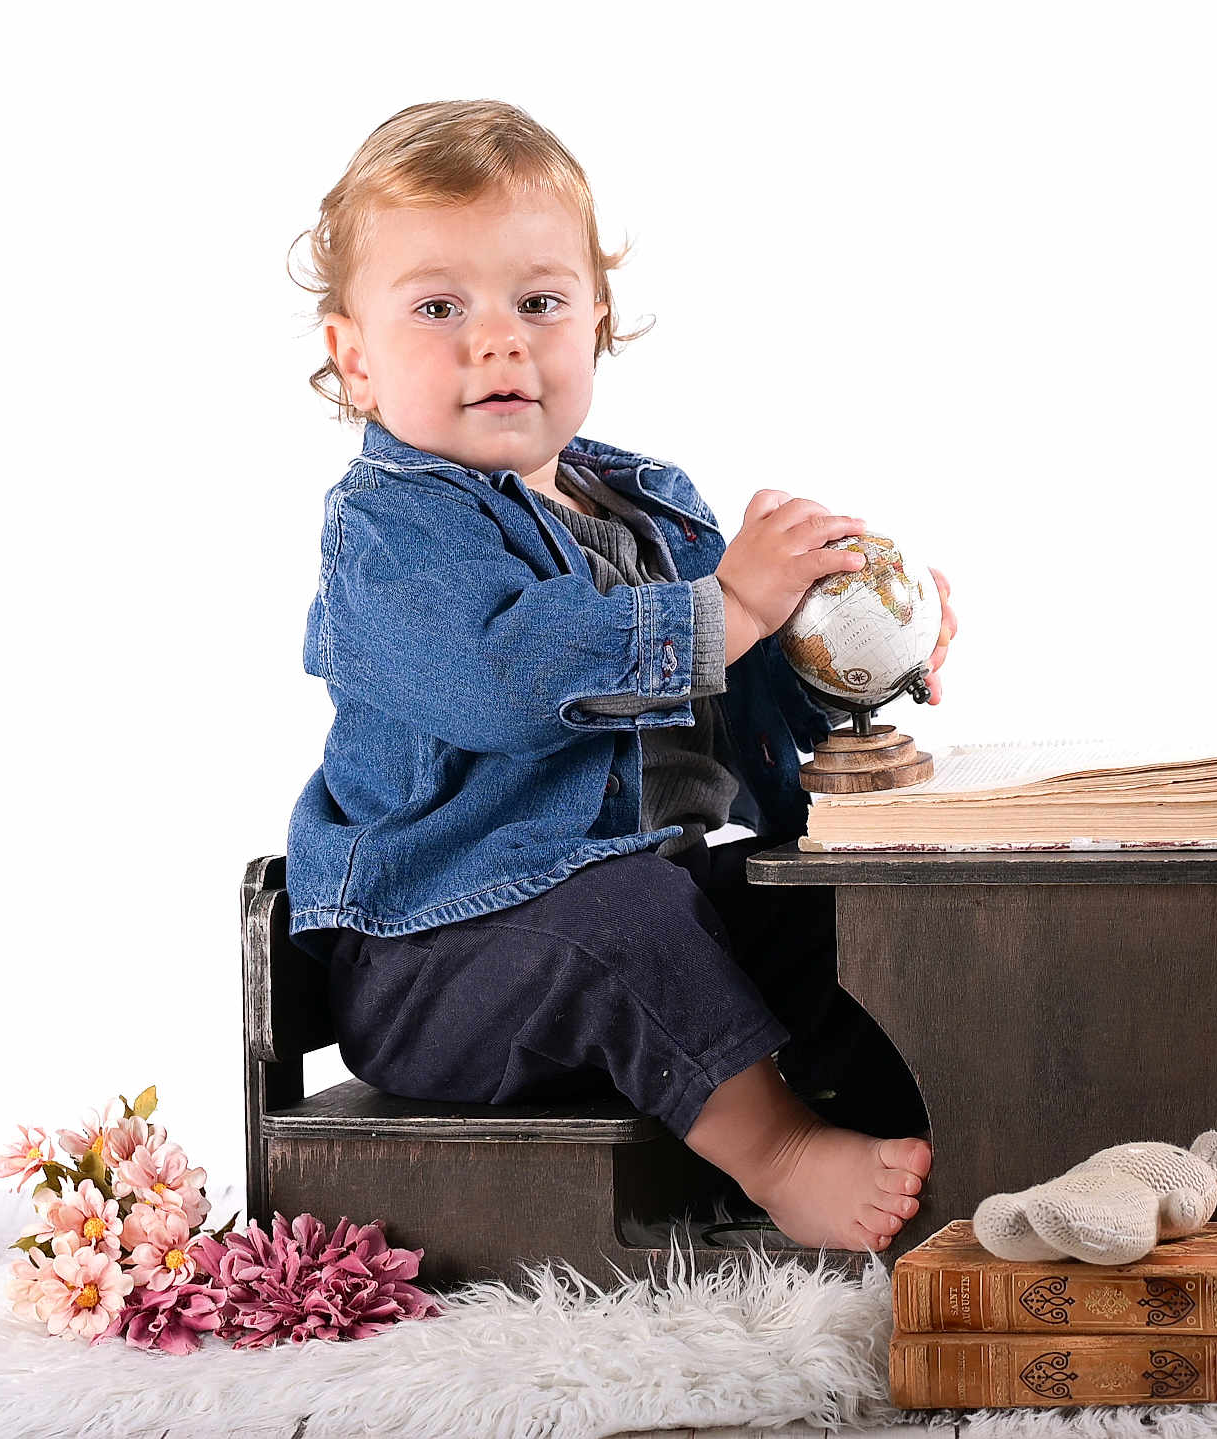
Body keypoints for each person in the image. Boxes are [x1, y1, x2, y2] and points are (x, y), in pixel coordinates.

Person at [283, 101, 957, 1252]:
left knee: (824, 906)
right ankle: (778, 1150)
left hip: (639, 913)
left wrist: (835, 657)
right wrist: (728, 604)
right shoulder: (391, 535)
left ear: (597, 320)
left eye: (538, 302)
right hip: (440, 959)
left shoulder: (645, 501)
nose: (498, 341)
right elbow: (505, 679)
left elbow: (726, 708)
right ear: (355, 354)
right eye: (439, 307)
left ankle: (914, 1119)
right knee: (618, 909)